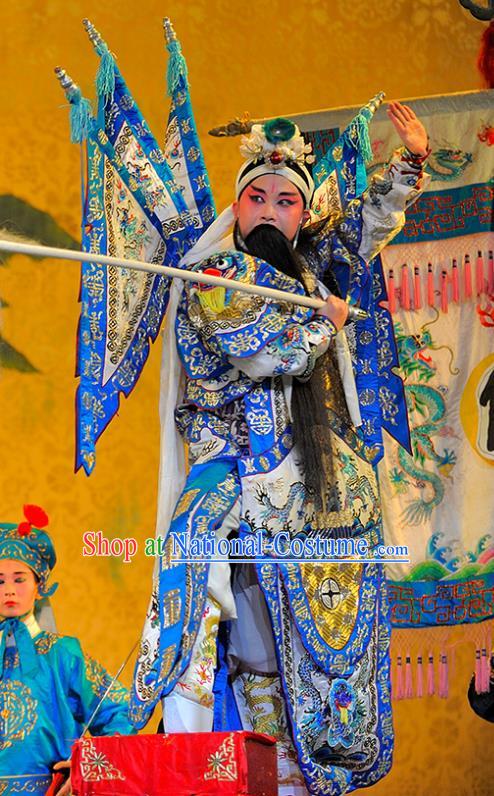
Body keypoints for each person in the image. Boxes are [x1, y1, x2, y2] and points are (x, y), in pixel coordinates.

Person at [131, 100, 429, 795]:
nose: (270, 209)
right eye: (256, 197)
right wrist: (322, 325)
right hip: (240, 492)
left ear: (301, 215)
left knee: (328, 656)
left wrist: (406, 167)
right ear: (236, 209)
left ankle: (313, 773)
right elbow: (272, 353)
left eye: (286, 200)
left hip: (321, 502)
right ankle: (240, 767)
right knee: (245, 648)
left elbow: (363, 231)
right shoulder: (215, 283)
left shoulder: (310, 273)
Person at [0, 504, 135, 796]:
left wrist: (85, 765)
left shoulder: (62, 654)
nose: (9, 590)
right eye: (0, 581)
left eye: (19, 579)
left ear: (40, 585)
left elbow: (122, 712)